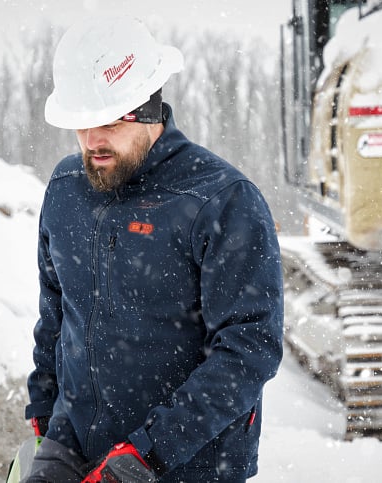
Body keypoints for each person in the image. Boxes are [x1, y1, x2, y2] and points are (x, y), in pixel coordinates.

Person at [23, 14, 284, 483]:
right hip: (74, 442)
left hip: (187, 462)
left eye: (108, 121)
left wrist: (147, 453)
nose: (92, 141)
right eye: (81, 123)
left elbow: (249, 349)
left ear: (146, 108)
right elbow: (57, 310)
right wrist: (45, 410)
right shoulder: (66, 189)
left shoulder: (221, 200)